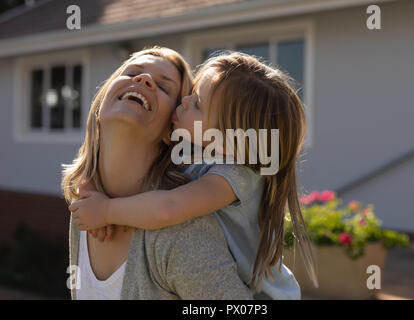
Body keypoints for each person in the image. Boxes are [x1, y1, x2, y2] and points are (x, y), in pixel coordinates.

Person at [69, 51, 319, 299]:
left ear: (227, 140)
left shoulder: (234, 176)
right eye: (190, 95)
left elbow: (168, 208)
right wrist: (90, 182)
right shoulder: (204, 153)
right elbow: (106, 148)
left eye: (197, 103)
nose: (184, 102)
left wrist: (106, 210)